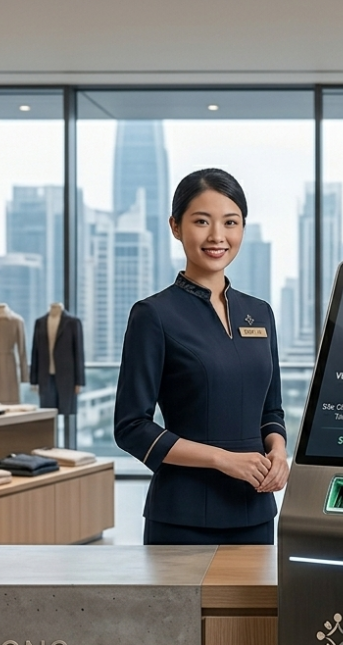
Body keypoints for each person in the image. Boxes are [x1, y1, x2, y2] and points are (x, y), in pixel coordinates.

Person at [113, 168, 288, 545]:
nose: (217, 236)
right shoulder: (153, 315)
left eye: (230, 222)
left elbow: (270, 411)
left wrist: (278, 450)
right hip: (183, 516)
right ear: (176, 227)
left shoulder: (260, 313)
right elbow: (131, 427)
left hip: (255, 511)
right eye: (201, 222)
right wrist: (222, 459)